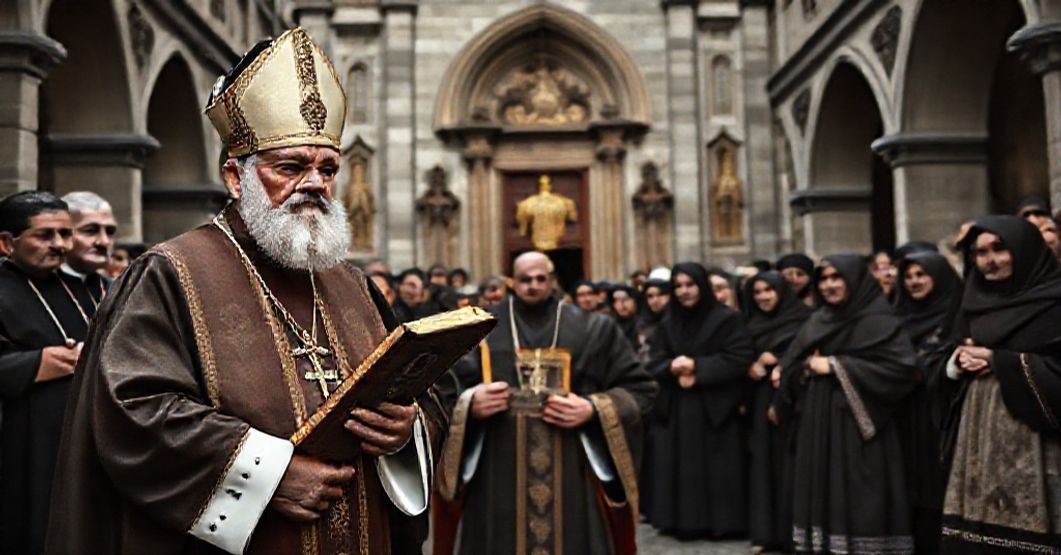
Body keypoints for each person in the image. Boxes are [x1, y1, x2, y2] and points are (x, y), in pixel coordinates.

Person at [45, 28, 446, 555]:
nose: (315, 184)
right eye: (291, 167)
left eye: (327, 168)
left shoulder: (350, 284)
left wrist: (405, 431)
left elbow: (419, 394)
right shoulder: (170, 272)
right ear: (236, 177)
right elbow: (132, 410)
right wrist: (268, 475)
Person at [436, 251, 657, 553]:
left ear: (553, 281)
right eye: (525, 279)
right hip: (497, 470)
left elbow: (642, 389)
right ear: (513, 282)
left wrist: (592, 408)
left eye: (541, 279)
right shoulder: (480, 330)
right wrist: (469, 403)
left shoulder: (594, 329)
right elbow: (438, 393)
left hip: (572, 466)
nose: (533, 285)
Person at [775, 254, 919, 554]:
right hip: (819, 418)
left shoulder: (879, 319)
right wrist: (800, 370)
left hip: (861, 422)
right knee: (823, 490)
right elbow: (796, 361)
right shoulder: (818, 319)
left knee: (860, 491)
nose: (829, 285)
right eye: (824, 279)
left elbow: (903, 370)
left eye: (836, 277)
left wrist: (837, 365)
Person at [939, 216, 1061, 553]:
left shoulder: (1054, 301)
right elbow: (942, 354)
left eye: (999, 249)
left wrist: (998, 361)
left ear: (1024, 250)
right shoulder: (973, 302)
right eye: (980, 252)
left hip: (1035, 437)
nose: (989, 261)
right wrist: (958, 361)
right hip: (978, 432)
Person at [644, 262, 755, 538]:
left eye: (689, 285)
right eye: (678, 286)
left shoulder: (727, 319)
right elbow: (653, 362)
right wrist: (672, 368)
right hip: (679, 406)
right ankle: (683, 521)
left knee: (717, 468)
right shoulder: (668, 323)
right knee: (684, 467)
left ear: (702, 286)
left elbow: (739, 357)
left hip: (715, 405)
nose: (684, 292)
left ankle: (722, 523)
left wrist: (698, 368)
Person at [0, 192, 82, 553]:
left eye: (65, 234)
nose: (60, 245)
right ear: (6, 242)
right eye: (45, 236)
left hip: (77, 438)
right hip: (21, 444)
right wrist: (37, 363)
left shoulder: (79, 287)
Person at [893, 251, 961, 554]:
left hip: (941, 412)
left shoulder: (956, 314)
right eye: (908, 277)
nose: (913, 282)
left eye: (921, 274)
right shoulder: (896, 316)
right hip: (903, 411)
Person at [743, 272, 812, 553]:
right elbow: (738, 355)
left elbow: (809, 354)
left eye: (769, 290)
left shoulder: (803, 318)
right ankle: (765, 532)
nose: (763, 297)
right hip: (760, 400)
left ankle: (791, 533)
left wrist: (782, 363)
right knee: (763, 465)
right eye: (757, 292)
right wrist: (750, 367)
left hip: (793, 401)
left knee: (790, 464)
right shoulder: (750, 323)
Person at [59, 191, 116, 311]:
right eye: (90, 230)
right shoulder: (36, 290)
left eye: (110, 232)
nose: (104, 242)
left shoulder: (120, 291)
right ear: (63, 234)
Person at [609, 284, 641, 353]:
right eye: (616, 300)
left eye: (625, 299)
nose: (621, 304)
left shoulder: (643, 325)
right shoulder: (610, 326)